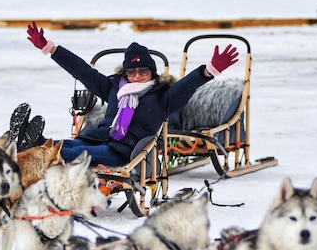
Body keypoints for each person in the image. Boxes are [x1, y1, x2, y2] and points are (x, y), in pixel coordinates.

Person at [19, 21, 239, 166]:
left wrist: (208, 70)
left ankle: (33, 149)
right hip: (99, 139)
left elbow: (187, 86)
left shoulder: (162, 96)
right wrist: (51, 49)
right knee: (65, 145)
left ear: (152, 72)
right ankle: (30, 144)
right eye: (131, 71)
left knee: (72, 154)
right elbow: (82, 71)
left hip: (127, 152)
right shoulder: (116, 88)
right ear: (124, 72)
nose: (137, 75)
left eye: (143, 70)